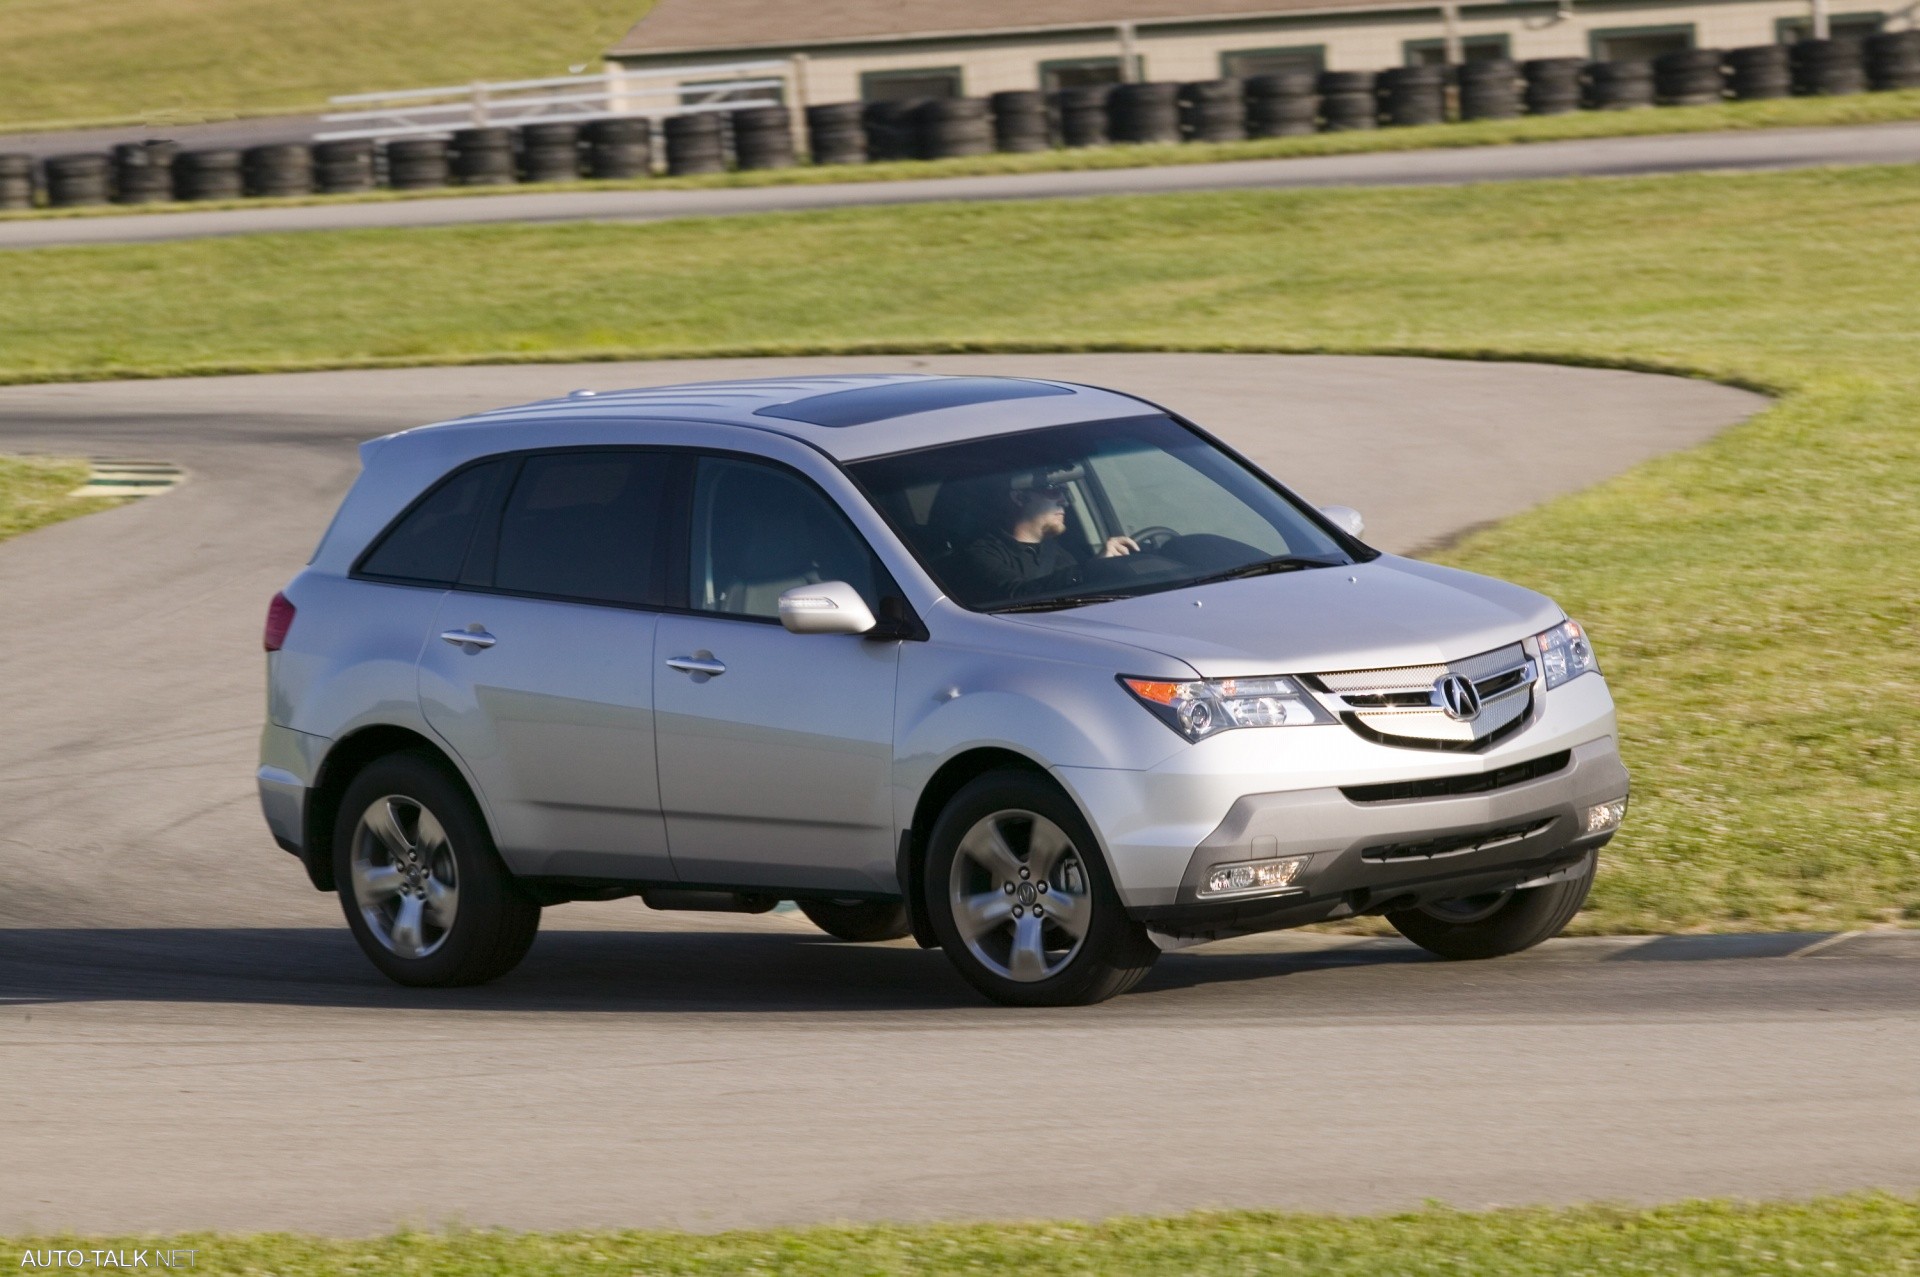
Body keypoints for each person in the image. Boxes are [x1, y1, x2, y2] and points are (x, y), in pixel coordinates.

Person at [958, 470, 1138, 601]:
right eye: (1053, 490)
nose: (1064, 501)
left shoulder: (1063, 551)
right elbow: (1017, 595)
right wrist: (1090, 570)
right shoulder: (981, 554)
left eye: (1065, 492)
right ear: (1019, 498)